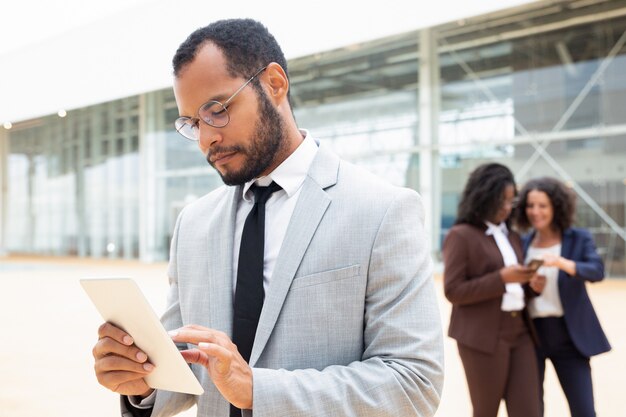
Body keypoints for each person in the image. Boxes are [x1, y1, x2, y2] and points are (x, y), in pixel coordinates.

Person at [91, 18, 444, 417]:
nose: (207, 137)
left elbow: (414, 383)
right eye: (192, 123)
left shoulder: (382, 210)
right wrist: (140, 382)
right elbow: (183, 370)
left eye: (218, 110)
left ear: (275, 84)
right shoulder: (193, 223)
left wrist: (258, 389)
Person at [442, 163, 544, 417]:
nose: (507, 208)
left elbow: (514, 284)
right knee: (486, 411)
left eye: (511, 201)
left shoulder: (513, 236)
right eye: (501, 202)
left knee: (529, 411)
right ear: (483, 198)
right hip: (482, 337)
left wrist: (532, 287)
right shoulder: (461, 236)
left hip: (520, 333)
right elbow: (453, 290)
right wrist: (501, 278)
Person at [515, 177, 611, 417]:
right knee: (531, 410)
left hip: (569, 337)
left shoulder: (578, 237)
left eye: (542, 205)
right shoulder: (522, 242)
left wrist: (561, 262)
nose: (535, 212)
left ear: (556, 206)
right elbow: (518, 291)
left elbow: (597, 271)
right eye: (530, 205)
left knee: (584, 411)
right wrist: (531, 288)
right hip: (532, 336)